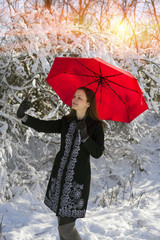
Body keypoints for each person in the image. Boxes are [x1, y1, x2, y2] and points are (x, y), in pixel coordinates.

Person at [17, 87, 104, 240]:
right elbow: (44, 126)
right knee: (61, 221)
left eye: (80, 98)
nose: (75, 100)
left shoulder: (96, 126)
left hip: (77, 180)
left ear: (89, 104)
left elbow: (97, 153)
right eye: (75, 96)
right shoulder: (67, 121)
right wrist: (23, 116)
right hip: (60, 176)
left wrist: (85, 136)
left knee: (66, 225)